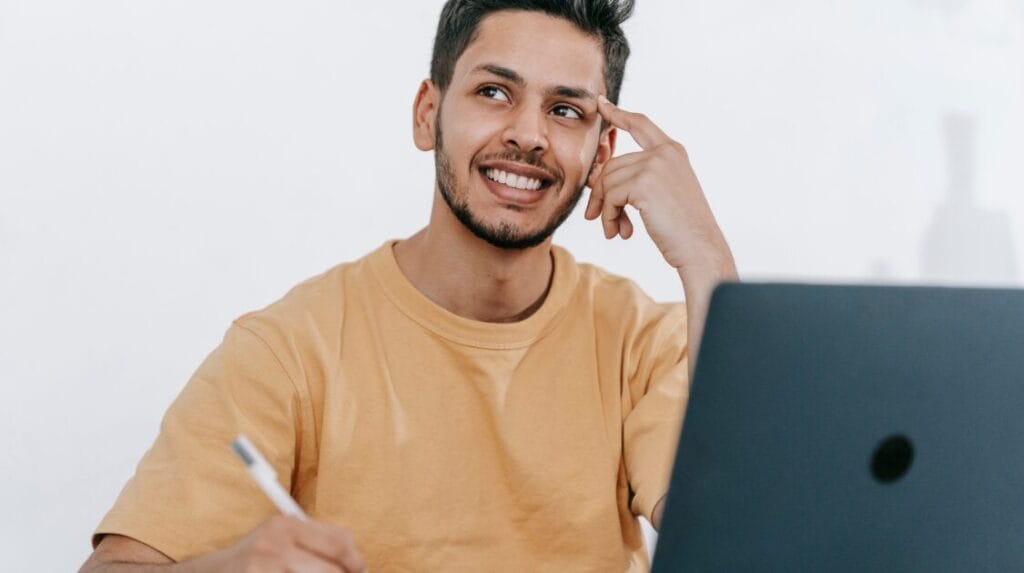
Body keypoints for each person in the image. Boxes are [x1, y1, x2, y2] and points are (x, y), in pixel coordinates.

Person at [79, 0, 737, 571]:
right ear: (428, 114)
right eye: (494, 92)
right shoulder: (290, 348)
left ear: (600, 155)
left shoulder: (645, 344)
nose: (529, 135)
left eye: (565, 109)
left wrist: (707, 261)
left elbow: (750, 544)